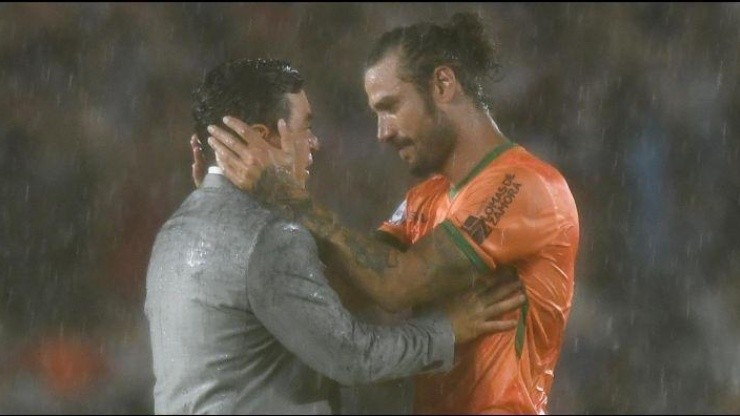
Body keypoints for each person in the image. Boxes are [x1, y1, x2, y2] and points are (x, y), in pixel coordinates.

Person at [202, 12, 580, 414]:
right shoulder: (424, 198)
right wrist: (241, 203)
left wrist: (285, 195)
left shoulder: (527, 186)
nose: (382, 132)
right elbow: (342, 287)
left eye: (391, 107)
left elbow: (397, 285)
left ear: (442, 84)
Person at [146, 57, 526, 414]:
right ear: (264, 137)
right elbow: (351, 356)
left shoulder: (174, 231)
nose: (314, 143)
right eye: (305, 126)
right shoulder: (271, 237)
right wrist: (447, 329)